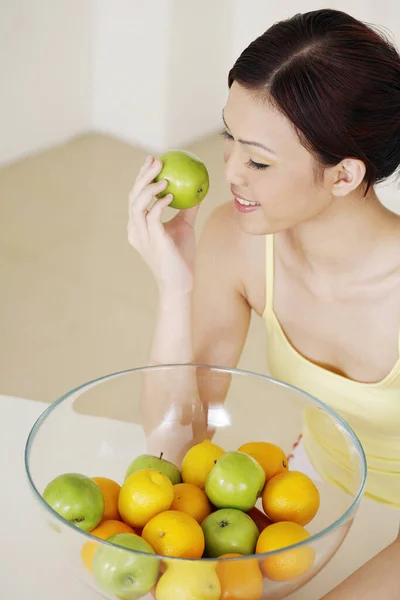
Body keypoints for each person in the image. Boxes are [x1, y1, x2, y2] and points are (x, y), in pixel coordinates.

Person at [127, 8, 400, 599]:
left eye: (258, 160)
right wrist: (176, 292)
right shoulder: (240, 240)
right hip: (307, 498)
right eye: (229, 139)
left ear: (345, 175)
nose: (229, 173)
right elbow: (170, 453)